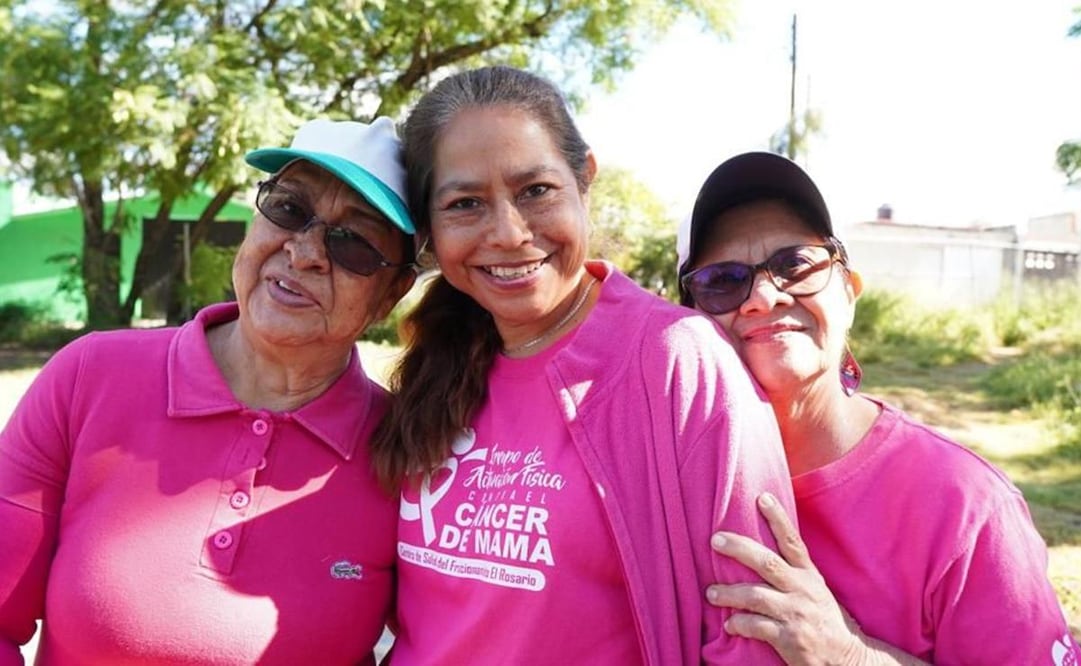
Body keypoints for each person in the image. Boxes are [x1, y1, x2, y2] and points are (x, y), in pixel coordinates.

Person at [367, 64, 795, 666]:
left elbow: (755, 630)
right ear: (429, 231)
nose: (509, 233)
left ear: (584, 179)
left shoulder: (675, 360)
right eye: (464, 204)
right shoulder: (435, 363)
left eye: (535, 191)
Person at [0, 117, 417, 665]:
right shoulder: (89, 376)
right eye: (288, 209)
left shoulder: (407, 449)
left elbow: (456, 641)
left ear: (391, 293)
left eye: (354, 244)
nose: (305, 252)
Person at [678, 151, 1081, 665]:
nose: (764, 296)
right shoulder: (665, 490)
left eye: (795, 264)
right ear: (685, 322)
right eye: (722, 281)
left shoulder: (965, 508)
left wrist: (849, 654)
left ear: (850, 293)